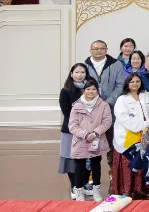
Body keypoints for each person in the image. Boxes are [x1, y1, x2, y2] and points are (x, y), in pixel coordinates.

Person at [67, 78, 111, 202]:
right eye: (88, 89)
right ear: (84, 90)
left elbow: (107, 121)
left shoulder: (104, 105)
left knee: (96, 165)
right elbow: (72, 126)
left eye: (93, 89)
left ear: (97, 91)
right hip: (80, 140)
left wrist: (96, 132)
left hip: (97, 139)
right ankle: (79, 191)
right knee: (79, 166)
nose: (90, 91)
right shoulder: (76, 106)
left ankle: (96, 191)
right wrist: (86, 135)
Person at [111, 73, 149, 196]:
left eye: (137, 81)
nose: (135, 84)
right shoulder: (122, 99)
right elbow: (124, 118)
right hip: (127, 136)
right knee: (129, 163)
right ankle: (127, 190)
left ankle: (141, 189)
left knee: (145, 160)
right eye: (132, 82)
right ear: (127, 84)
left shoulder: (148, 96)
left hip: (146, 134)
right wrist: (142, 126)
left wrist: (148, 125)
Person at [60, 64, 92, 197]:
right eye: (77, 72)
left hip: (89, 131)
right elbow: (67, 112)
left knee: (88, 158)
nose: (79, 75)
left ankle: (84, 183)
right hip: (71, 131)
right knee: (71, 158)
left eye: (82, 72)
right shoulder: (66, 90)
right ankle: (74, 186)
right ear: (71, 74)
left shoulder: (91, 89)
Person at [85, 40, 127, 106]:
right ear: (90, 50)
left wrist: (108, 102)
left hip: (111, 105)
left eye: (102, 48)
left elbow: (120, 85)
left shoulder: (116, 64)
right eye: (96, 49)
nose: (99, 51)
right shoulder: (84, 66)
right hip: (89, 105)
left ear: (106, 50)